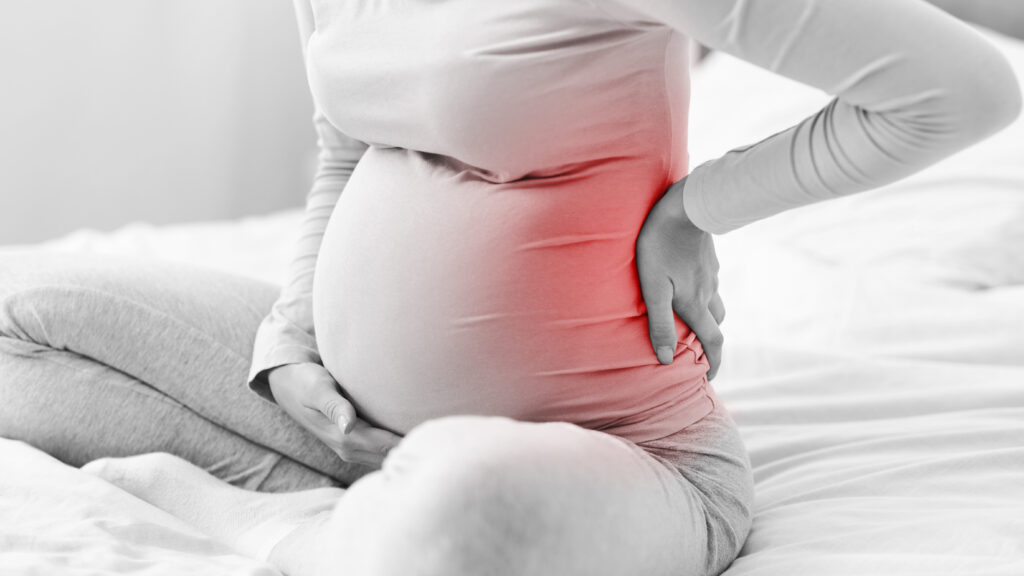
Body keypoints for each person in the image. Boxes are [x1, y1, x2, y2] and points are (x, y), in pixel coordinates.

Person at [0, 0, 1019, 575]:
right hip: (344, 424)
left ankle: (311, 527)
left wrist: (694, 207)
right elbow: (343, 150)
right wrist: (288, 334)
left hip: (625, 456)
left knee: (466, 502)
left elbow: (957, 92)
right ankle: (364, 513)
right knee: (20, 324)